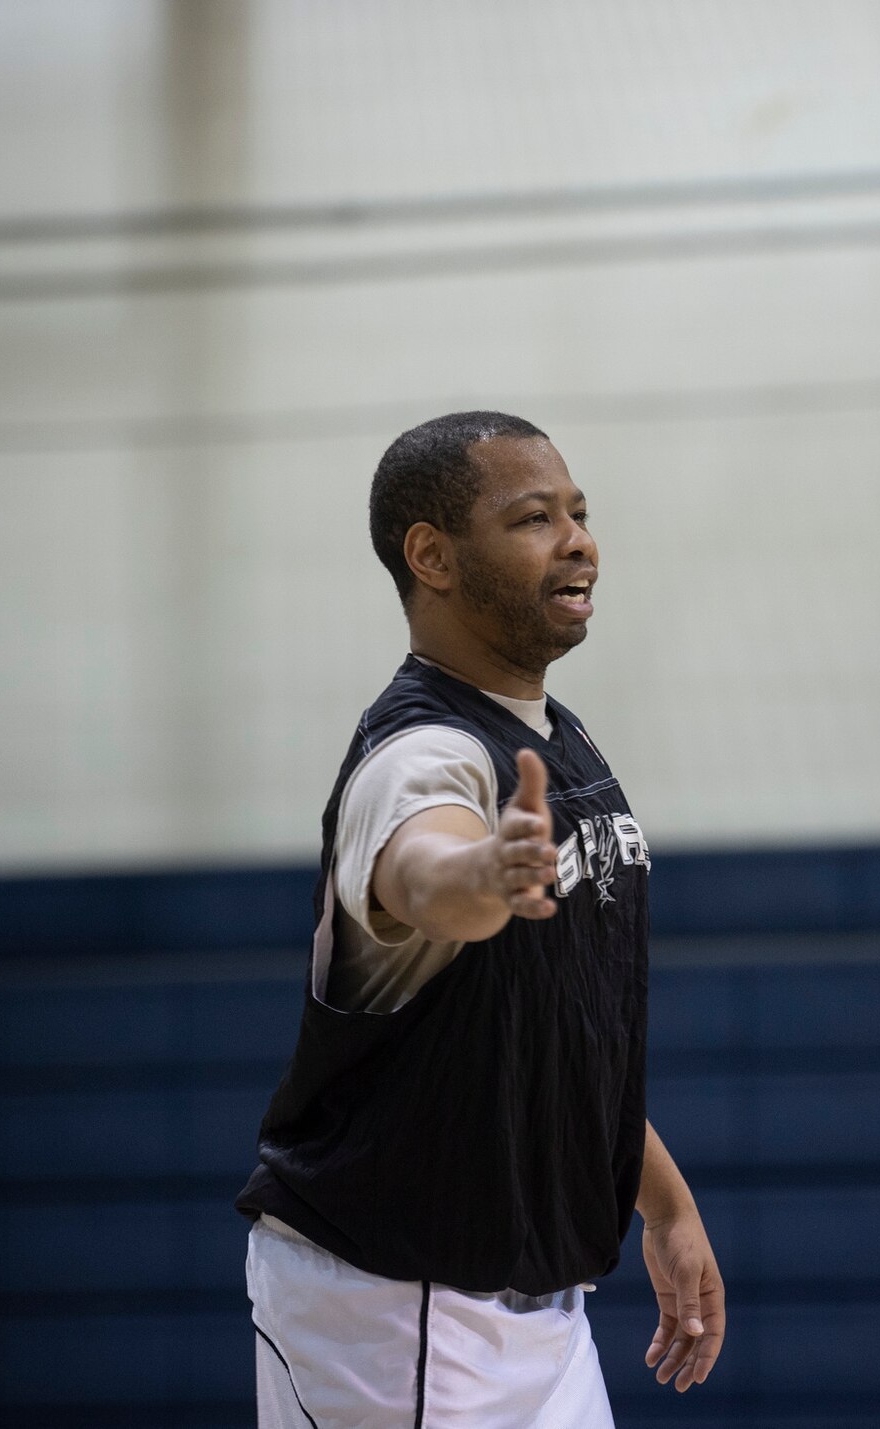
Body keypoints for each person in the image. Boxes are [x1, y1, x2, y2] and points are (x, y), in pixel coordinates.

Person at [237, 412, 724, 1427]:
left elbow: (546, 1039)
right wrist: (483, 875)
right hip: (395, 1306)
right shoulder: (418, 751)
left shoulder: (557, 740)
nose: (578, 538)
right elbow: (422, 871)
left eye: (579, 513)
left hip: (537, 1317)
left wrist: (665, 1205)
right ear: (433, 555)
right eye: (533, 517)